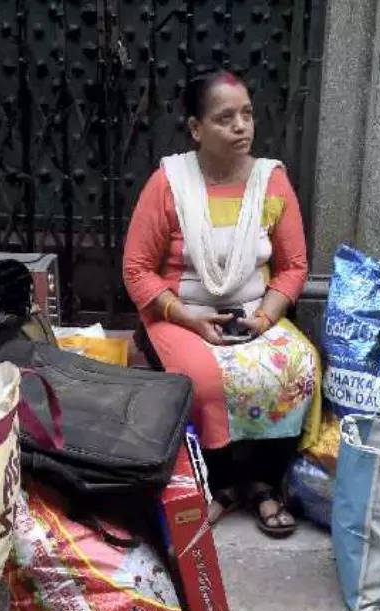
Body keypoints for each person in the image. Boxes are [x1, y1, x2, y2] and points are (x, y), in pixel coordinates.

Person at [122, 69, 321, 538]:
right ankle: (219, 485)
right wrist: (187, 317)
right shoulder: (167, 183)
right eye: (225, 117)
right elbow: (137, 269)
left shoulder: (270, 182)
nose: (241, 127)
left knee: (299, 366)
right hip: (179, 312)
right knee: (207, 380)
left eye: (247, 115)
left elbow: (294, 266)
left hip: (254, 311)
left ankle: (264, 484)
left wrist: (265, 316)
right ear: (196, 129)